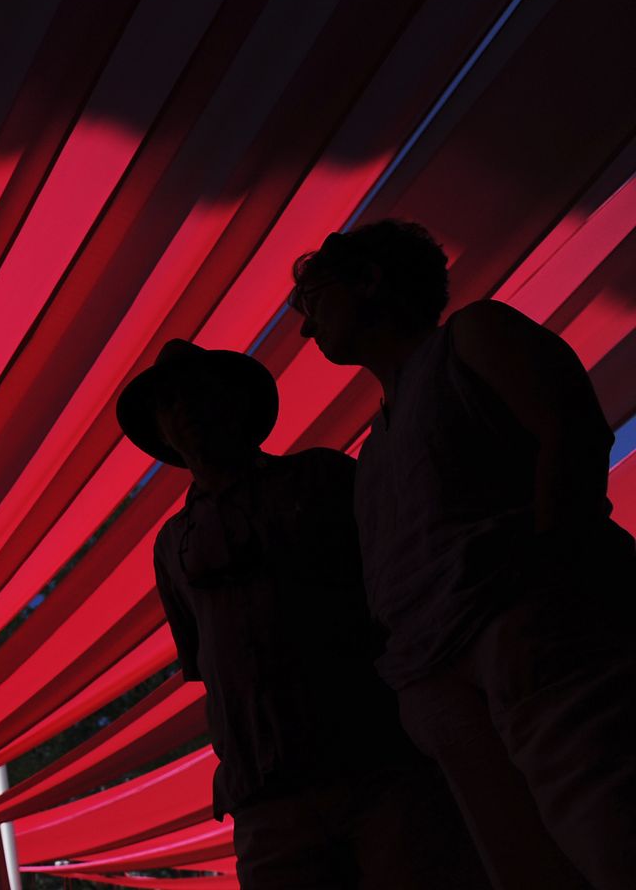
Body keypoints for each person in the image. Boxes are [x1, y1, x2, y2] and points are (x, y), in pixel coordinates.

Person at [293, 220, 636, 888]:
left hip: (532, 632)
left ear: (368, 280)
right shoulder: (373, 449)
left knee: (613, 832)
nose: (307, 329)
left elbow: (570, 432)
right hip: (440, 679)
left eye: (314, 302)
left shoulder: (473, 336)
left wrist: (548, 584)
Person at [120, 339, 490, 888]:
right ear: (162, 431)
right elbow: (208, 667)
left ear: (237, 404)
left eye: (199, 393)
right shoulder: (171, 545)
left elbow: (406, 593)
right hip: (266, 798)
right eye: (168, 403)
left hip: (381, 766)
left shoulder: (323, 479)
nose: (185, 409)